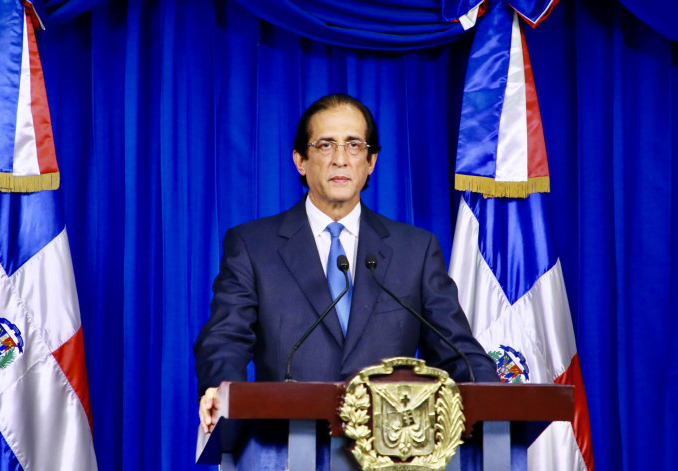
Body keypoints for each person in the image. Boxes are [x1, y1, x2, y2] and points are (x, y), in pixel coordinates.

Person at [194, 94, 498, 433]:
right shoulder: (253, 246)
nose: (340, 160)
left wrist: (495, 398)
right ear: (300, 160)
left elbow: (458, 351)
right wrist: (219, 388)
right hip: (285, 445)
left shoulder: (415, 250)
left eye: (354, 145)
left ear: (370, 162)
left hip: (392, 448)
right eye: (325, 145)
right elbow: (226, 337)